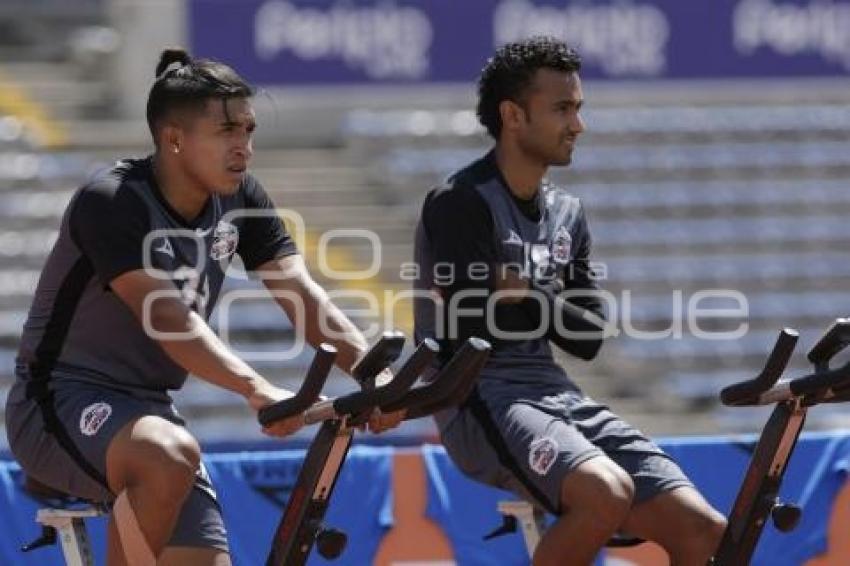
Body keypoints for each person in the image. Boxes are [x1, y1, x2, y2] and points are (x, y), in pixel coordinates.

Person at [4, 48, 403, 566]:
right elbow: (167, 318)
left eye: (249, 131)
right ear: (174, 139)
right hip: (58, 401)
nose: (245, 148)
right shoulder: (112, 200)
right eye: (227, 132)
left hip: (148, 412)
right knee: (170, 454)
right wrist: (256, 389)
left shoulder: (242, 199)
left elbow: (303, 296)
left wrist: (379, 376)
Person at [413, 37, 727, 566]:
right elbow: (472, 319)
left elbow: (588, 338)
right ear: (513, 115)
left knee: (703, 529)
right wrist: (544, 305)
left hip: (555, 392)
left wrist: (526, 292)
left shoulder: (568, 212)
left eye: (577, 108)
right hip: (478, 394)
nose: (577, 124)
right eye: (562, 108)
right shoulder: (459, 202)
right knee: (604, 493)